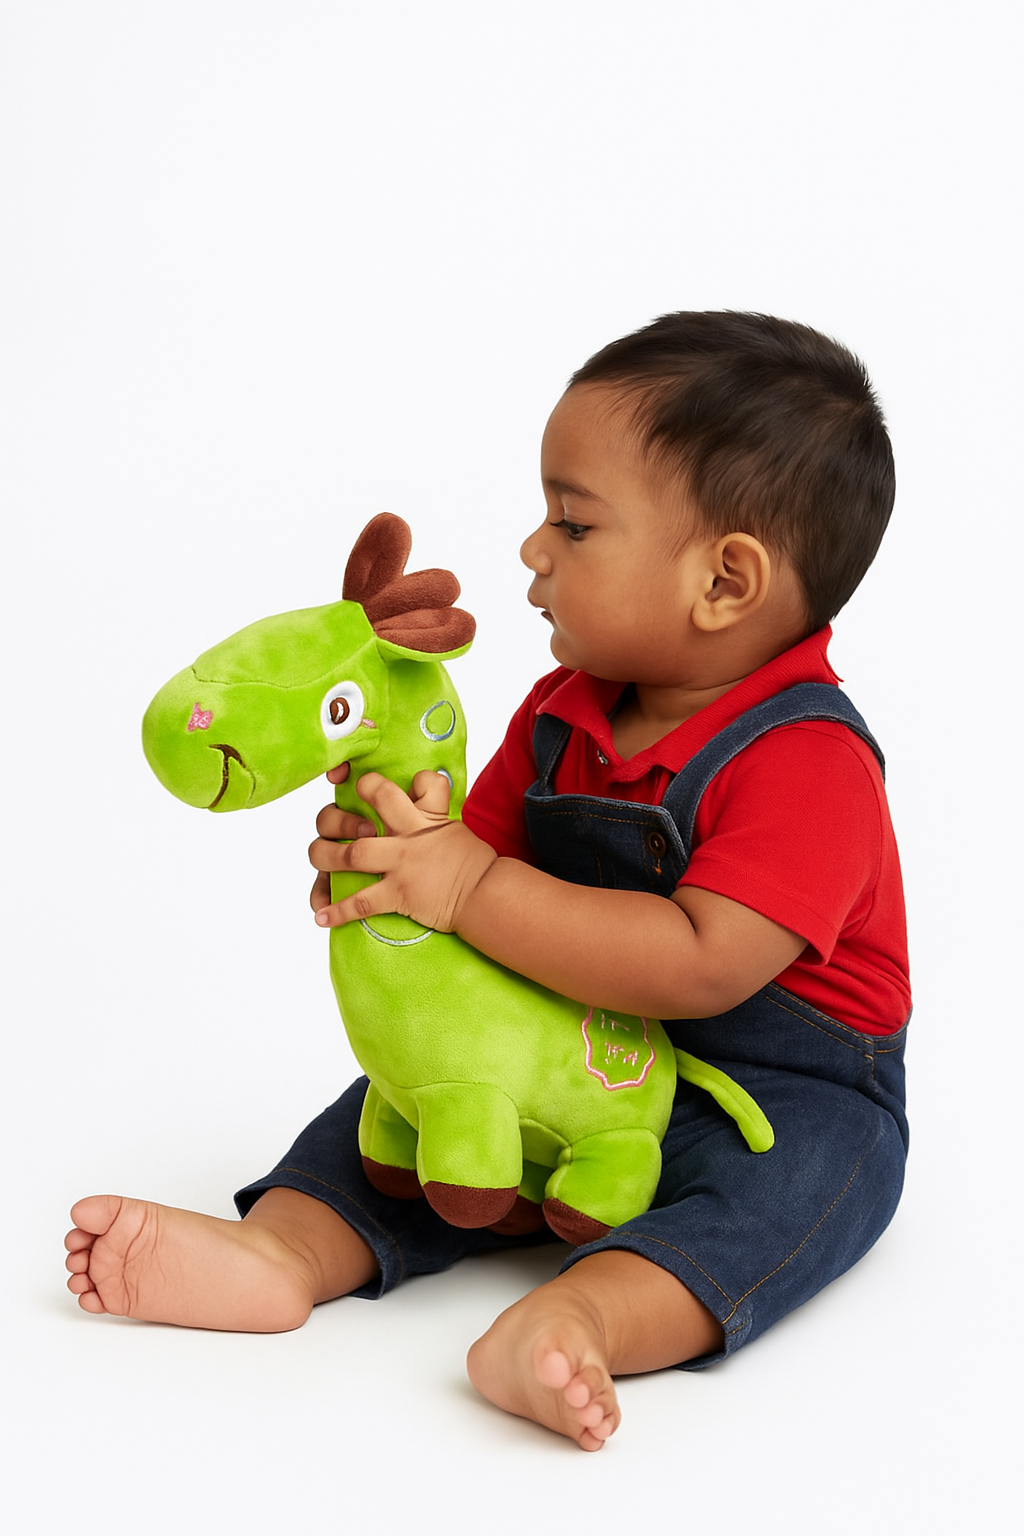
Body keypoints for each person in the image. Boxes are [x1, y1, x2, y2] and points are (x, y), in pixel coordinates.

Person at [65, 311, 910, 1453]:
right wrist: (396, 866)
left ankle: (585, 1315)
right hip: (570, 1046)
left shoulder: (808, 764)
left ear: (723, 580)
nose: (531, 549)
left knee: (809, 1183)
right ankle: (286, 1247)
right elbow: (471, 861)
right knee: (414, 1091)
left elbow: (701, 964)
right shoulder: (562, 711)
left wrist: (466, 891)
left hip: (767, 1085)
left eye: (573, 521)